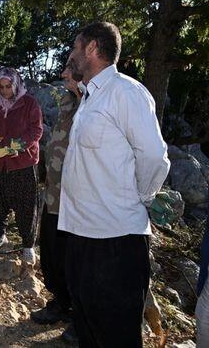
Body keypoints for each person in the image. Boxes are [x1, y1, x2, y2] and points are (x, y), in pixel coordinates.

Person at [58, 22, 170, 347]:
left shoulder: (126, 92)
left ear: (92, 48)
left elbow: (153, 157)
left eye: (76, 47)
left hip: (116, 244)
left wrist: (140, 197)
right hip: (81, 238)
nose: (72, 55)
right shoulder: (90, 98)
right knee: (89, 332)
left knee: (116, 337)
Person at [30, 58, 82, 344]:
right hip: (54, 195)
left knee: (76, 260)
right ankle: (60, 303)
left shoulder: (95, 104)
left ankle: (81, 317)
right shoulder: (66, 101)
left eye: (68, 68)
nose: (63, 73)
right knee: (52, 252)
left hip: (77, 201)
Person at [0, 67, 43, 264]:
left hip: (22, 162)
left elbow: (36, 130)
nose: (5, 91)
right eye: (1, 87)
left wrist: (19, 146)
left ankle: (28, 245)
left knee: (26, 205)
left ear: (16, 85)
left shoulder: (29, 103)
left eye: (8, 86)